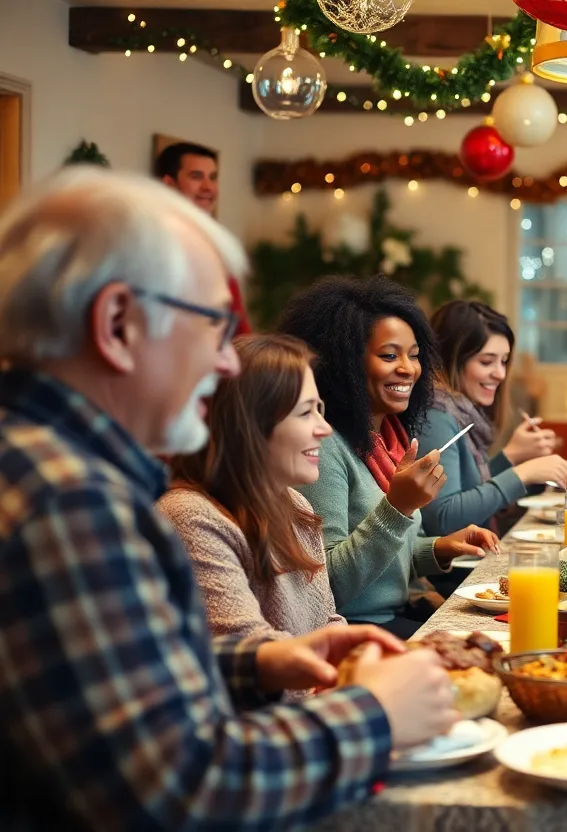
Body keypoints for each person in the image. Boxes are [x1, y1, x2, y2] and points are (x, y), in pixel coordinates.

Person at [0, 168, 460, 828]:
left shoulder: (41, 462)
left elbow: (104, 681)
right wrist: (375, 717)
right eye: (214, 327)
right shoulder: (71, 503)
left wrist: (257, 660)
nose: (224, 364)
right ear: (118, 323)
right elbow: (182, 787)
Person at [282, 276, 499, 639]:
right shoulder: (325, 447)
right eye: (389, 355)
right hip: (354, 633)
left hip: (394, 617)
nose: (408, 369)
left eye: (414, 355)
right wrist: (397, 508)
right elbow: (326, 588)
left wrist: (439, 549)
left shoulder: (391, 439)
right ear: (345, 362)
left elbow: (384, 558)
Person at [159, 333, 346, 646]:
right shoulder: (190, 519)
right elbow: (253, 660)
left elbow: (328, 622)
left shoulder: (296, 504)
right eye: (305, 412)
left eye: (320, 409)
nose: (324, 428)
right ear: (249, 426)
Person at [416, 300, 567, 537]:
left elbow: (469, 488)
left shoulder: (459, 410)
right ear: (450, 358)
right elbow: (443, 518)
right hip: (457, 571)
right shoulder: (436, 416)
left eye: (503, 361)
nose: (500, 374)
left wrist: (512, 455)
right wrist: (523, 473)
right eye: (486, 361)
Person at [154, 141, 251, 336]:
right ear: (169, 183)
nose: (208, 187)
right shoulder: (151, 238)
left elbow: (234, 313)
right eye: (196, 176)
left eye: (213, 178)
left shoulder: (216, 240)